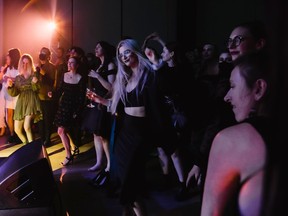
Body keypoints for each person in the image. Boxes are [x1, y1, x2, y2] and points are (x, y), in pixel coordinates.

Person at [90, 38, 179, 216]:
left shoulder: (149, 75)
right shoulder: (126, 79)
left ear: (135, 51)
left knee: (131, 182)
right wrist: (100, 100)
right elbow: (117, 107)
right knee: (125, 181)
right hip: (125, 133)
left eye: (127, 52)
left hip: (141, 134)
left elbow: (168, 88)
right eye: (121, 55)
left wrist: (157, 64)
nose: (124, 57)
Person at [201, 51, 272, 216]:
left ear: (259, 88)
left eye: (232, 86)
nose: (227, 97)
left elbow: (210, 213)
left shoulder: (231, 140)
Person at [81, 41, 117, 187]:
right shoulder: (98, 65)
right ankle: (98, 162)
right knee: (96, 134)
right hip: (96, 102)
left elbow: (111, 87)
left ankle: (109, 165)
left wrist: (98, 76)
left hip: (105, 103)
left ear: (105, 50)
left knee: (104, 135)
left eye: (98, 47)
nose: (95, 49)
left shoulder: (110, 65)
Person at [49, 56, 86, 166]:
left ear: (77, 65)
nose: (69, 64)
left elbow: (81, 97)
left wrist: (77, 111)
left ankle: (69, 155)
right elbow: (60, 90)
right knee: (63, 130)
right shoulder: (64, 75)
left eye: (72, 63)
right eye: (68, 62)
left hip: (73, 107)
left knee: (61, 131)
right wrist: (53, 94)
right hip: (64, 106)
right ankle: (73, 149)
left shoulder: (80, 78)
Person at [7, 54, 42, 144]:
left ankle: (32, 149)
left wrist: (35, 83)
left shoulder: (34, 74)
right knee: (17, 129)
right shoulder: (18, 77)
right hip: (21, 102)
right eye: (23, 63)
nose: (25, 65)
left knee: (27, 126)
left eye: (27, 63)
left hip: (31, 100)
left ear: (30, 64)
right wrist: (11, 87)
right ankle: (27, 146)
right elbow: (15, 93)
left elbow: (37, 89)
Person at [36, 47, 57, 146]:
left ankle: (48, 139)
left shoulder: (52, 67)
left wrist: (43, 74)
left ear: (48, 56)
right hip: (38, 96)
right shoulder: (37, 66)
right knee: (40, 119)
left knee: (48, 119)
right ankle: (42, 139)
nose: (42, 54)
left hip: (47, 97)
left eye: (44, 53)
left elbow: (52, 82)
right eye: (41, 52)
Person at [1, 48, 21, 142]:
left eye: (8, 55)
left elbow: (18, 79)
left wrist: (9, 78)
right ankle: (12, 133)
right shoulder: (8, 68)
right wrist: (8, 78)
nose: (7, 57)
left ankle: (18, 133)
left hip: (17, 93)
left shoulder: (20, 67)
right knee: (9, 114)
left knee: (17, 114)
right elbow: (4, 78)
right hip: (9, 93)